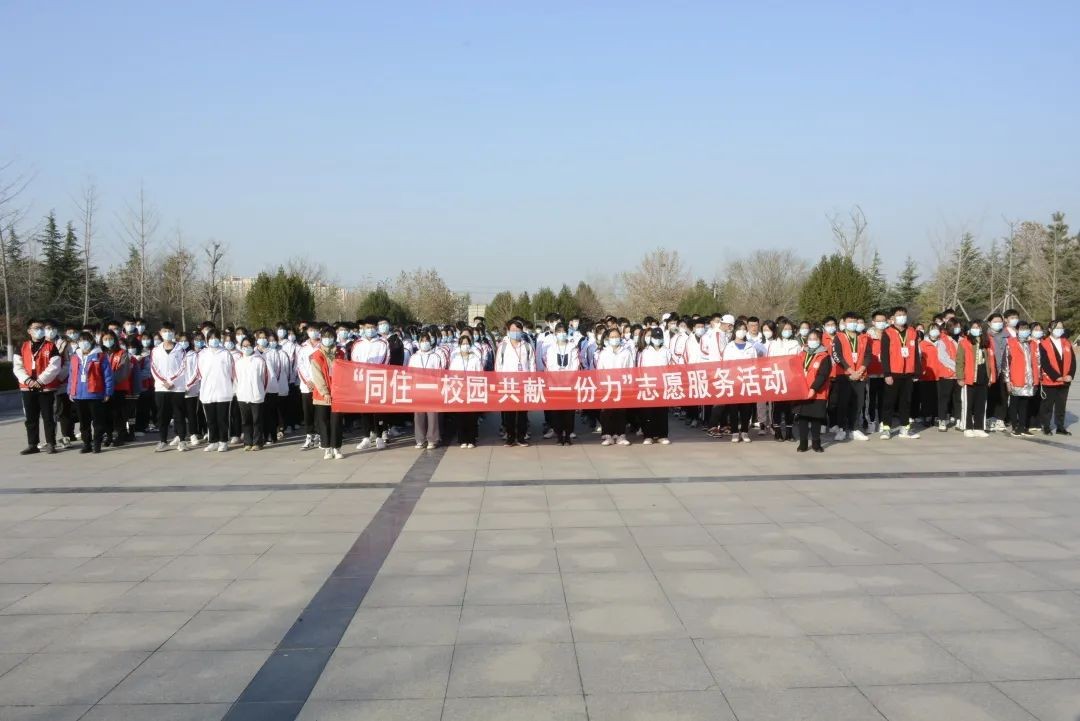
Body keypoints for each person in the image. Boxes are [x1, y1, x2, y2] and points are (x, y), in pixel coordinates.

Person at [13, 319, 62, 455]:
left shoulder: (51, 346)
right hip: (27, 387)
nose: (39, 330)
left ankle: (51, 443)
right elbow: (17, 367)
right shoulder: (22, 346)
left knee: (48, 417)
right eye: (36, 328)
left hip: (45, 387)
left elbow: (55, 366)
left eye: (41, 328)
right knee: (30, 418)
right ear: (29, 331)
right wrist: (28, 380)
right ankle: (32, 444)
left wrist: (40, 381)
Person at [67, 331, 114, 454]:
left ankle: (97, 443)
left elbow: (108, 375)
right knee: (84, 422)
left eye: (86, 340)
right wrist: (70, 391)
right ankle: (86, 443)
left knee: (97, 421)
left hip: (95, 394)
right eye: (81, 340)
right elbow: (71, 375)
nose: (83, 343)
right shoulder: (75, 357)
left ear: (92, 341)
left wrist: (108, 392)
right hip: (79, 394)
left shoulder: (100, 356)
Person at [880, 306, 921, 439]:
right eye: (899, 315)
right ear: (892, 317)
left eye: (903, 314)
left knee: (906, 402)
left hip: (908, 373)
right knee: (889, 402)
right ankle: (886, 428)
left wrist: (917, 372)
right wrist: (887, 373)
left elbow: (916, 354)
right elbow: (884, 355)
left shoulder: (912, 332)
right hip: (893, 372)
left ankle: (905, 428)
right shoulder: (888, 332)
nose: (902, 317)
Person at [830, 311, 870, 442]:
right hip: (844, 375)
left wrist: (860, 370)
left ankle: (854, 429)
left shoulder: (863, 337)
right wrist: (851, 371)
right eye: (849, 321)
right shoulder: (839, 337)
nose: (852, 323)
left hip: (860, 375)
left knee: (858, 403)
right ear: (844, 322)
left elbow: (868, 355)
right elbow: (837, 355)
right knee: (843, 403)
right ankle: (842, 429)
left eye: (854, 321)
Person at [495, 319, 535, 447]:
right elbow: (498, 365)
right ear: (508, 331)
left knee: (522, 413)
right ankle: (510, 437)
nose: (516, 332)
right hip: (508, 384)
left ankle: (521, 437)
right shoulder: (503, 346)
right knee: (509, 413)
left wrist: (532, 380)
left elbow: (532, 365)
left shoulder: (527, 346)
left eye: (518, 330)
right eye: (513, 330)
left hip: (523, 384)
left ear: (522, 331)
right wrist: (500, 381)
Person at [150, 322, 190, 451]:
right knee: (162, 415)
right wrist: (164, 381)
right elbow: (153, 368)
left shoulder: (180, 349)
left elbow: (183, 367)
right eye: (165, 331)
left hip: (177, 387)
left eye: (170, 331)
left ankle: (182, 440)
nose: (167, 333)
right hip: (161, 388)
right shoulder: (155, 350)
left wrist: (172, 381)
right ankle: (163, 441)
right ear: (160, 333)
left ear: (174, 333)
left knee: (179, 414)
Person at [721, 321, 763, 442]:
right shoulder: (729, 347)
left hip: (747, 381)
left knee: (746, 409)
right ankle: (735, 432)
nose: (742, 331)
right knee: (733, 409)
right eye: (740, 329)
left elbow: (755, 364)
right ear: (735, 331)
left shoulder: (750, 347)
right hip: (734, 382)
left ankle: (744, 431)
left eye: (744, 329)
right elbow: (725, 365)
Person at [309, 325, 345, 460]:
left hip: (337, 393)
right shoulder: (317, 355)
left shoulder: (340, 353)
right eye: (325, 337)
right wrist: (325, 392)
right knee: (323, 422)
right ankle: (327, 448)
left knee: (336, 421)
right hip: (322, 395)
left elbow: (344, 372)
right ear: (321, 338)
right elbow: (317, 376)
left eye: (330, 337)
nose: (328, 339)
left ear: (334, 338)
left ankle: (337, 447)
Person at [794, 329, 832, 452]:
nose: (812, 341)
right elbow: (795, 369)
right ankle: (803, 443)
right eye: (810, 339)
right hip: (802, 391)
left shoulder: (824, 356)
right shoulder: (802, 353)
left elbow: (823, 375)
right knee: (803, 418)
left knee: (816, 419)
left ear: (820, 340)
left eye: (815, 339)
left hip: (818, 392)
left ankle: (816, 443)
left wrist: (814, 389)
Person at [197, 329, 235, 452]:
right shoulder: (202, 354)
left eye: (216, 338)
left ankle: (223, 441)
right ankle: (213, 441)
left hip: (223, 391)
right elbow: (199, 372)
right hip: (207, 391)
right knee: (210, 419)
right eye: (211, 338)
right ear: (207, 340)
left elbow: (232, 372)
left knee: (222, 418)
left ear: (220, 339)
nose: (214, 340)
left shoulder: (225, 353)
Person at [955, 320, 993, 438]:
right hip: (969, 377)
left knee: (981, 404)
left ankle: (979, 427)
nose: (977, 329)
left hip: (983, 376)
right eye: (974, 327)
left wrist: (991, 376)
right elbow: (959, 361)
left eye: (979, 327)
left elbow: (990, 360)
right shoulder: (964, 342)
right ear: (970, 329)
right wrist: (960, 377)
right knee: (968, 404)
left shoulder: (986, 342)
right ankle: (967, 427)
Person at [545, 322, 582, 445]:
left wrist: (568, 378)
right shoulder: (551, 348)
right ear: (555, 333)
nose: (562, 334)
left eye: (564, 331)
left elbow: (575, 365)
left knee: (569, 412)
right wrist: (557, 379)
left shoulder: (572, 347)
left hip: (569, 384)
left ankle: (568, 435)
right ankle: (559, 435)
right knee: (556, 412)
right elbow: (550, 365)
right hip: (555, 384)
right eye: (559, 332)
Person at [597, 327, 633, 446]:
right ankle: (608, 435)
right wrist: (601, 385)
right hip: (607, 386)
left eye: (616, 336)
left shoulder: (626, 352)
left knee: (621, 411)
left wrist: (629, 385)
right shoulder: (604, 353)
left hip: (621, 386)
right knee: (607, 411)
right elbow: (600, 370)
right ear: (608, 339)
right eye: (612, 337)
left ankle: (621, 435)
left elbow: (630, 369)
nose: (614, 339)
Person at [408, 331, 444, 449]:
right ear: (419, 342)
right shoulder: (414, 357)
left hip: (432, 390)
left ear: (430, 342)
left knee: (432, 415)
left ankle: (432, 439)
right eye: (422, 341)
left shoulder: (435, 356)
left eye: (427, 340)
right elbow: (410, 374)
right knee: (418, 415)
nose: (425, 343)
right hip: (417, 389)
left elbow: (439, 374)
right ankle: (420, 439)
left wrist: (439, 388)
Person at [636, 327, 672, 445]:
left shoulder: (666, 351)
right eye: (655, 337)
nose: (657, 339)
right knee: (648, 412)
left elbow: (671, 367)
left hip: (662, 386)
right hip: (648, 385)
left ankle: (662, 435)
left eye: (659, 337)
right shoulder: (645, 352)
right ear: (651, 338)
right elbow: (639, 369)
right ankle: (648, 435)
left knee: (662, 411)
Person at [1004, 320, 1039, 437]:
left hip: (1029, 380)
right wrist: (1007, 380)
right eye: (1022, 329)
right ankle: (1015, 426)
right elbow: (1006, 363)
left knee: (1025, 404)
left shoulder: (1032, 344)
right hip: (1016, 379)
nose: (1025, 331)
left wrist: (1036, 379)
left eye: (1026, 329)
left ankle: (1023, 426)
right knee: (1014, 403)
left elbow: (1037, 362)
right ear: (1017, 330)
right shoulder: (1010, 343)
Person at [767, 320, 800, 441]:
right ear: (780, 330)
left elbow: (799, 361)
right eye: (785, 329)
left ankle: (789, 432)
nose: (788, 331)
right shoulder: (774, 344)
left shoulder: (795, 344)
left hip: (791, 379)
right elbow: (769, 361)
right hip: (777, 378)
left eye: (790, 329)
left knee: (789, 407)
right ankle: (777, 431)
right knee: (777, 407)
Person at [1039, 320, 1073, 435]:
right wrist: (1056, 377)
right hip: (1050, 380)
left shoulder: (1066, 342)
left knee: (1061, 405)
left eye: (1061, 327)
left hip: (1065, 380)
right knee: (1047, 405)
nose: (1059, 330)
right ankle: (1046, 426)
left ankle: (1060, 427)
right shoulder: (1043, 343)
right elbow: (1045, 363)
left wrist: (1070, 374)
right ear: (1050, 329)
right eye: (1057, 328)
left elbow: (1073, 361)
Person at [449, 333, 483, 448]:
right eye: (463, 344)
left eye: (467, 343)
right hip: (459, 391)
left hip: (472, 390)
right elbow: (451, 375)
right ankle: (462, 439)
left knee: (472, 416)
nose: (465, 346)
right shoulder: (455, 359)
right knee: (460, 416)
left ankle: (471, 439)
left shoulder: (476, 359)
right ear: (459, 345)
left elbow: (480, 374)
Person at [235, 337, 269, 450]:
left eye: (248, 345)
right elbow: (236, 379)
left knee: (257, 420)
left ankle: (257, 442)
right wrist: (238, 391)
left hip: (256, 394)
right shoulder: (238, 362)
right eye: (244, 346)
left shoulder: (259, 361)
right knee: (246, 420)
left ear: (253, 346)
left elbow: (264, 378)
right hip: (242, 395)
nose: (246, 348)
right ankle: (247, 442)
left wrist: (261, 391)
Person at [100, 329, 131, 447]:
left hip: (118, 388)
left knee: (118, 413)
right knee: (105, 413)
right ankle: (108, 435)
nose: (108, 341)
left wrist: (109, 381)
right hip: (103, 389)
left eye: (110, 339)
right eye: (105, 339)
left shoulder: (122, 353)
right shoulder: (100, 353)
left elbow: (123, 371)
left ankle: (120, 435)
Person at [296, 324, 322, 449]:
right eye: (311, 330)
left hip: (320, 384)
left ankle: (320, 435)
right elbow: (299, 366)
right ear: (307, 332)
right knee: (308, 412)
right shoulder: (302, 348)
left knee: (319, 411)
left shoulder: (323, 346)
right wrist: (308, 381)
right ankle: (309, 435)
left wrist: (318, 381)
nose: (313, 332)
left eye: (315, 330)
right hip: (307, 386)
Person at [934, 319, 961, 431]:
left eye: (959, 326)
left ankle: (958, 419)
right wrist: (956, 367)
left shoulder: (961, 340)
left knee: (958, 398)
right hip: (947, 374)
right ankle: (942, 420)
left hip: (959, 375)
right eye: (955, 326)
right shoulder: (943, 341)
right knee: (944, 398)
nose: (957, 329)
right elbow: (943, 357)